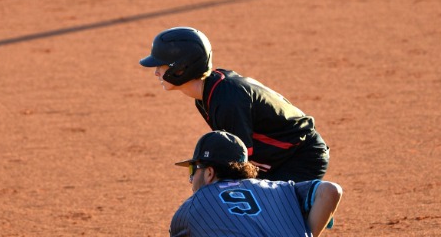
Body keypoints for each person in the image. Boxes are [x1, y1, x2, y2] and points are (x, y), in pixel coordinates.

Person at [139, 27, 330, 182]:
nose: (156, 72)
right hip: (277, 157)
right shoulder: (207, 94)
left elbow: (240, 162)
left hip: (299, 157)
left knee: (269, 210)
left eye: (161, 66)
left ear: (181, 68)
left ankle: (308, 206)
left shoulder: (227, 99)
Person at [170, 130, 342, 236]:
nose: (191, 179)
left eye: (193, 170)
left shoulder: (191, 207)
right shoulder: (279, 189)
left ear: (209, 173)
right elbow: (330, 191)